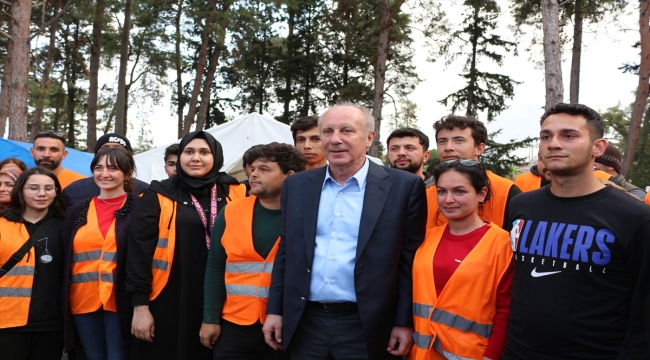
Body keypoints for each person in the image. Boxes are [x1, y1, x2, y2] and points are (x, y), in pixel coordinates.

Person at [262, 103, 428, 359]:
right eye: (327, 132)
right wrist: (275, 309)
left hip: (368, 325)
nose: (335, 140)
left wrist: (404, 321)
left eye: (347, 131)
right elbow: (287, 250)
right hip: (306, 322)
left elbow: (409, 260)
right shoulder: (296, 186)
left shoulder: (404, 187)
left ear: (369, 138)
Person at [504, 103, 650, 359]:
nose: (553, 144)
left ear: (598, 147)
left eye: (568, 135)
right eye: (546, 136)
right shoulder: (521, 207)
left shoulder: (635, 218)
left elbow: (644, 315)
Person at [126, 131, 247, 360]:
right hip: (168, 299)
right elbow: (138, 254)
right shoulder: (159, 194)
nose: (196, 158)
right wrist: (140, 308)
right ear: (180, 156)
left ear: (217, 157)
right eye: (189, 152)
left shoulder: (236, 192)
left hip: (225, 298)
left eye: (204, 152)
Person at [200, 143, 306, 359]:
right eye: (253, 169)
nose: (254, 175)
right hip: (234, 325)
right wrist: (209, 318)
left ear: (290, 176)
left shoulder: (307, 215)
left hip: (287, 324)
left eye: (264, 169)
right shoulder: (231, 211)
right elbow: (215, 268)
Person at [409, 159, 512, 360]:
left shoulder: (501, 243)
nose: (448, 199)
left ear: (481, 194)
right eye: (441, 191)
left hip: (472, 354)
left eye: (459, 191)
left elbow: (506, 311)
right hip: (421, 353)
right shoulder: (428, 238)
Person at [61, 147, 141, 360]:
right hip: (83, 300)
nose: (104, 174)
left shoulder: (141, 209)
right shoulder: (75, 211)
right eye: (98, 168)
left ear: (128, 173)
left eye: (113, 168)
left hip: (122, 301)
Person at [0, 168, 66, 360]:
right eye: (34, 188)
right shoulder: (3, 224)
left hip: (51, 322)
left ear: (56, 192)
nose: (42, 193)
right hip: (6, 320)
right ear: (20, 191)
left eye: (48, 188)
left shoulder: (66, 227)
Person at [429, 115, 521, 230]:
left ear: (479, 148)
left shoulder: (507, 191)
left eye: (458, 140)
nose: (448, 147)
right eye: (442, 141)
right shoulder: (426, 192)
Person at [63, 133, 150, 206]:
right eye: (105, 148)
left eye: (118, 149)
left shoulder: (145, 191)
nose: (110, 152)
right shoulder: (74, 190)